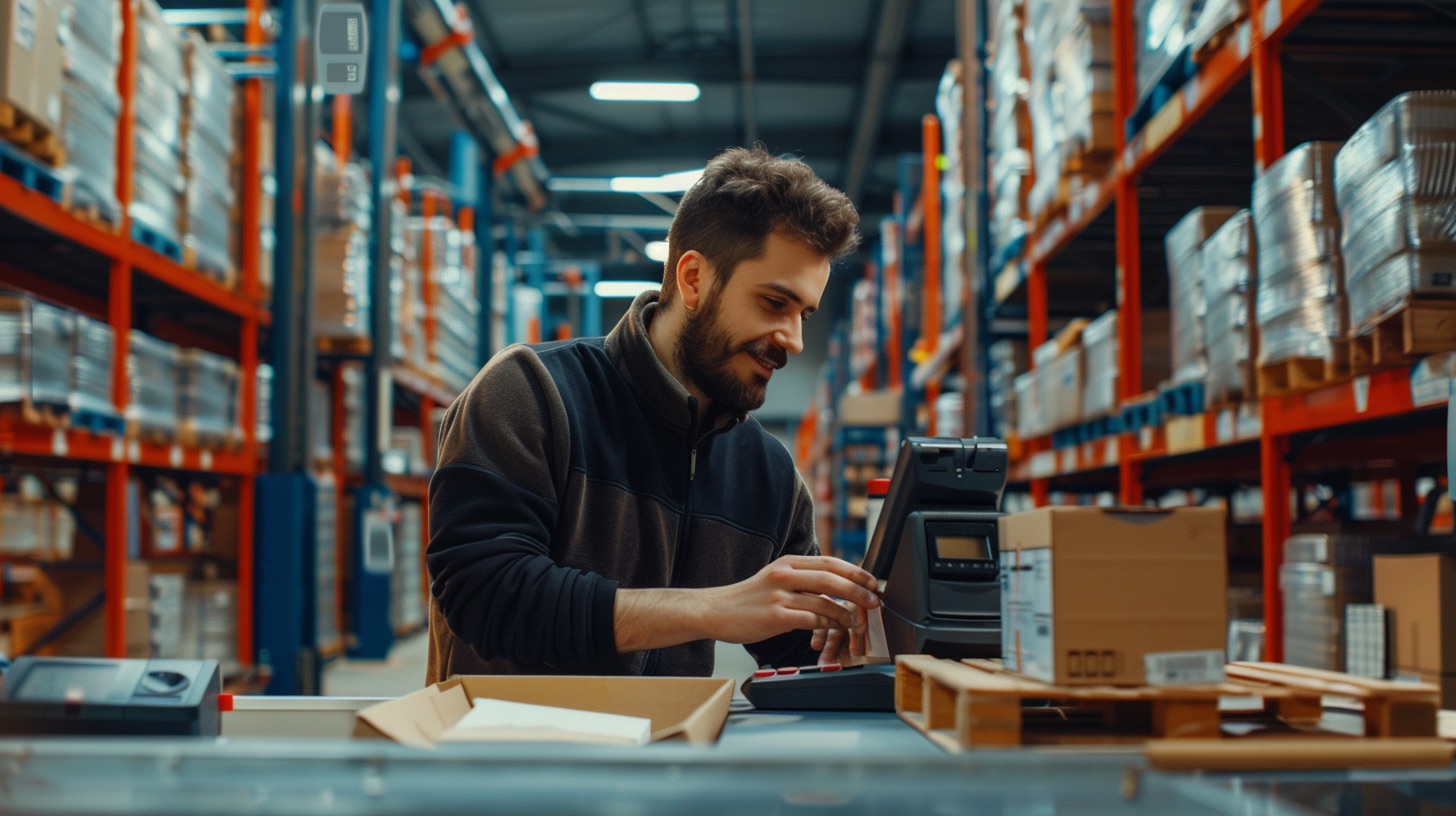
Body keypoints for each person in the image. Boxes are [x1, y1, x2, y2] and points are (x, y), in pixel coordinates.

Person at [426, 147, 879, 681]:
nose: (795, 340)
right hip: (513, 754)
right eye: (774, 303)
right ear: (693, 280)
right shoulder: (531, 392)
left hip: (668, 754)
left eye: (804, 314)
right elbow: (487, 596)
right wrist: (713, 608)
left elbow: (802, 649)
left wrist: (860, 637)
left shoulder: (768, 474)